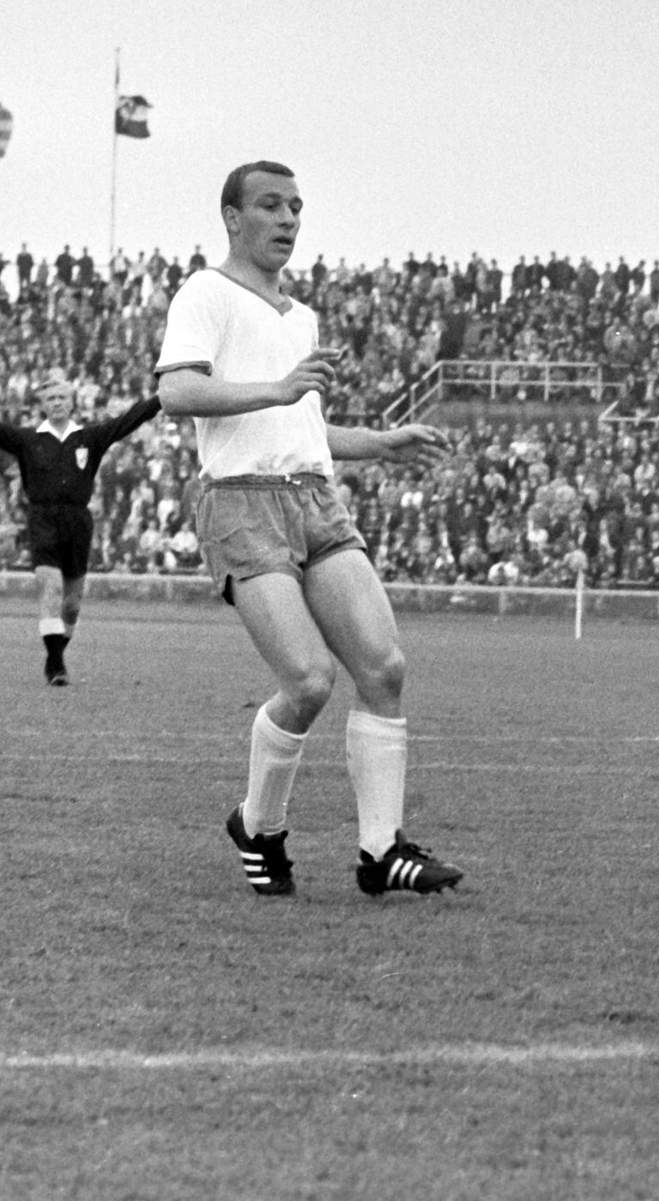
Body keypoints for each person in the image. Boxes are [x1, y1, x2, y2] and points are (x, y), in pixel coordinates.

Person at [154, 159, 463, 900]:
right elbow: (175, 391)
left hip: (316, 498)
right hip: (241, 503)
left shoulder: (301, 317)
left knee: (384, 668)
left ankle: (381, 851)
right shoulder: (207, 291)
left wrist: (379, 442)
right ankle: (259, 824)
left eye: (296, 206)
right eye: (270, 205)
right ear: (232, 217)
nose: (288, 219)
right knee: (308, 680)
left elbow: (304, 428)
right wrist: (280, 387)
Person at [0, 369, 161, 684]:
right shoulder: (27, 439)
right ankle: (56, 665)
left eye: (62, 397)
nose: (57, 403)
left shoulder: (89, 438)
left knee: (71, 605)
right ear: (42, 405)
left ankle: (54, 656)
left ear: (71, 402)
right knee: (51, 586)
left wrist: (160, 399)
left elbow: (127, 420)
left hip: (78, 521)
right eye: (51, 398)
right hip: (42, 518)